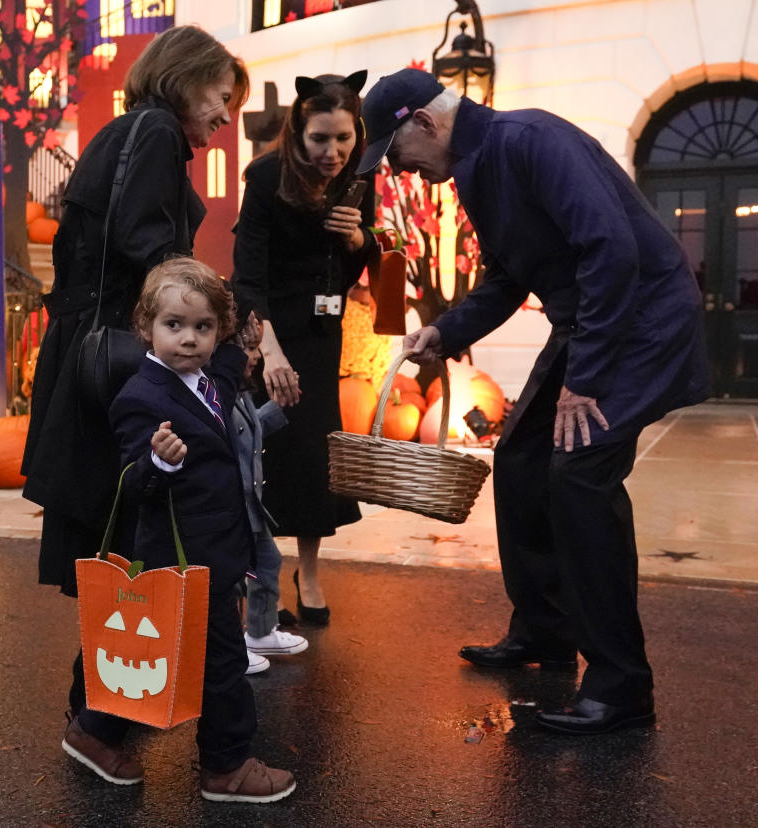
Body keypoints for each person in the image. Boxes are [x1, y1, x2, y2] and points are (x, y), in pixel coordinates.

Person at [358, 68, 710, 734]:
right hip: (591, 324)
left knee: (579, 477)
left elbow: (611, 252)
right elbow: (508, 279)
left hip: (641, 321)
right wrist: (445, 329)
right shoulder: (472, 169)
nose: (401, 171)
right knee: (520, 456)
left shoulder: (533, 140)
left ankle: (621, 685)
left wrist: (589, 378)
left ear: (425, 123)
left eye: (397, 155)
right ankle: (547, 632)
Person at [20, 25, 248, 598]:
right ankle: (117, 675)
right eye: (222, 97)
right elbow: (147, 245)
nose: (225, 116)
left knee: (113, 536)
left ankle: (115, 672)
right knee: (125, 532)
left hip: (91, 344)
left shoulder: (131, 131)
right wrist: (212, 306)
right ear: (185, 78)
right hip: (120, 348)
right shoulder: (157, 131)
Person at [62, 257, 296, 803]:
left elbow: (222, 372)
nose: (189, 339)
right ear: (146, 327)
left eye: (202, 328)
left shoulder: (202, 378)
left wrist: (245, 343)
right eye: (174, 326)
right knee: (221, 665)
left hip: (216, 552)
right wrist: (158, 463)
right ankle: (227, 768)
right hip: (180, 555)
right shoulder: (141, 397)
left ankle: (93, 732)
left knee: (158, 657)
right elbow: (129, 482)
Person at [231, 71, 376, 626]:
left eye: (343, 138)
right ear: (297, 132)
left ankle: (308, 573)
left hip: (320, 338)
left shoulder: (357, 179)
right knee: (263, 457)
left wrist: (359, 239)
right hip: (265, 335)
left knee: (314, 459)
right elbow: (247, 278)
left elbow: (361, 263)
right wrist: (269, 351)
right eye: (321, 139)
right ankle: (258, 572)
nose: (333, 151)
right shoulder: (266, 176)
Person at [232, 320, 309, 668]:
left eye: (255, 351)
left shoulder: (244, 393)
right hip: (231, 510)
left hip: (254, 507)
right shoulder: (219, 396)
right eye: (246, 351)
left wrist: (276, 407)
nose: (253, 358)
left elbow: (253, 431)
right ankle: (230, 648)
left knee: (268, 564)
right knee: (233, 579)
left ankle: (260, 632)